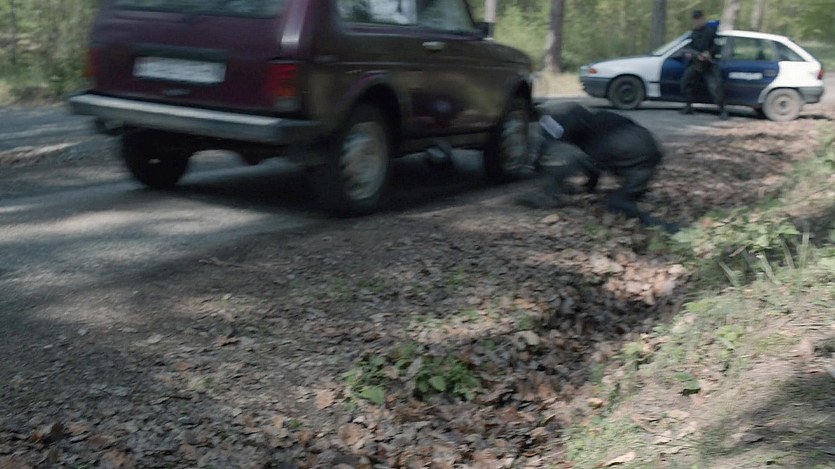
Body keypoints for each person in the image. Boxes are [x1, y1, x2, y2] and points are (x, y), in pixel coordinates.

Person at [518, 103, 679, 233]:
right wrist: (590, 184)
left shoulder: (566, 122)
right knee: (619, 201)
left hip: (623, 143)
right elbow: (595, 166)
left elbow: (560, 149)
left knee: (576, 159)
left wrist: (540, 168)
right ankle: (669, 227)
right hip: (649, 149)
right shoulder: (591, 121)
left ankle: (551, 195)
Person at [680, 10, 727, 119]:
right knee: (685, 83)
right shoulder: (693, 33)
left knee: (716, 87)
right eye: (695, 20)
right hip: (696, 63)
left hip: (709, 64)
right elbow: (688, 47)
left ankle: (723, 110)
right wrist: (688, 54)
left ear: (702, 19)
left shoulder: (711, 31)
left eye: (699, 19)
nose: (697, 21)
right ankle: (688, 106)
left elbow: (718, 46)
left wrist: (709, 53)